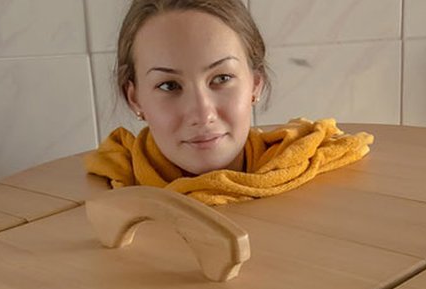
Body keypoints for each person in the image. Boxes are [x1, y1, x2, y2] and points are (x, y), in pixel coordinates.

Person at [85, 0, 373, 206]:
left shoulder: (313, 169)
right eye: (169, 86)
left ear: (255, 84)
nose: (202, 113)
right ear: (135, 99)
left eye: (221, 78)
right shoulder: (100, 192)